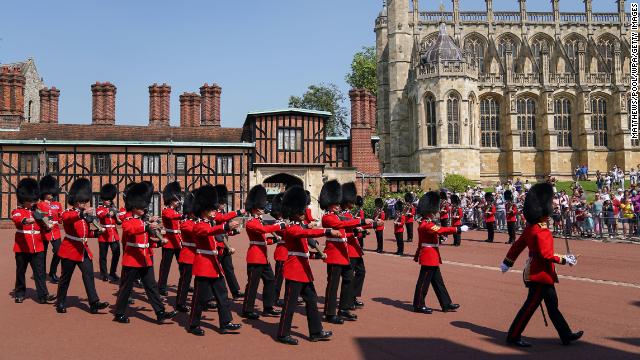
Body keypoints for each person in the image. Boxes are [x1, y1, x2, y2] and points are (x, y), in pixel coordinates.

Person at [501, 183, 583, 347]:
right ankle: (513, 335)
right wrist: (566, 259)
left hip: (536, 271)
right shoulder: (542, 231)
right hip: (540, 274)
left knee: (552, 306)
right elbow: (546, 255)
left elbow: (517, 246)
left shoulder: (531, 228)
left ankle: (566, 335)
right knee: (530, 306)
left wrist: (507, 262)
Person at [276, 185, 338, 345]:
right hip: (294, 271)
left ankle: (316, 331)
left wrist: (318, 255)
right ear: (294, 212)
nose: (305, 213)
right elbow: (305, 233)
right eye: (302, 211)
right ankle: (283, 333)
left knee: (311, 301)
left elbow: (305, 249)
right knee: (290, 304)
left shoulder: (299, 226)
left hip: (303, 270)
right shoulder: (291, 228)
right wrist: (326, 231)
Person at [113, 182, 178, 324]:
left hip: (145, 258)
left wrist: (158, 243)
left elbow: (146, 240)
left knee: (151, 287)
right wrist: (146, 226)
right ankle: (119, 313)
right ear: (134, 206)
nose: (144, 208)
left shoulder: (142, 221)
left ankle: (160, 312)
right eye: (141, 206)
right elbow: (130, 230)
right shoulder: (128, 220)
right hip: (132, 259)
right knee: (126, 288)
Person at [188, 185, 242, 336]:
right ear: (204, 209)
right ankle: (193, 324)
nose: (214, 211)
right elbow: (209, 232)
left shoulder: (210, 223)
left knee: (222, 294)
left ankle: (225, 323)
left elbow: (216, 232)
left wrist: (229, 228)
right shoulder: (198, 225)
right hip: (204, 265)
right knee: (199, 298)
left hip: (214, 264)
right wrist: (225, 226)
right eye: (212, 209)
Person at [56, 178, 109, 314]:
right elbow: (68, 218)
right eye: (81, 202)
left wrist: (98, 233)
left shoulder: (84, 215)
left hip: (83, 250)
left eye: (85, 201)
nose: (84, 204)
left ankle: (94, 303)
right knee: (65, 278)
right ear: (74, 200)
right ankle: (60, 301)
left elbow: (86, 233)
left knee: (88, 275)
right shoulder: (68, 212)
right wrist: (82, 213)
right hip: (69, 250)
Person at [320, 179, 370, 324]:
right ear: (329, 203)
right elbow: (341, 224)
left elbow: (346, 229)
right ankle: (329, 313)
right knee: (333, 284)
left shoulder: (336, 215)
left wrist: (359, 228)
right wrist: (361, 222)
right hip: (334, 254)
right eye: (335, 203)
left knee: (348, 280)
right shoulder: (328, 217)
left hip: (343, 253)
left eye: (338, 202)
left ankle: (344, 308)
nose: (337, 205)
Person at [412, 191, 469, 314]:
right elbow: (441, 229)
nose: (435, 213)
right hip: (428, 256)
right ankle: (418, 304)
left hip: (432, 255)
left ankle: (446, 304)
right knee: (423, 283)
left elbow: (438, 232)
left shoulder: (427, 223)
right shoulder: (425, 225)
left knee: (438, 282)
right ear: (429, 212)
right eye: (434, 212)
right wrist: (457, 229)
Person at [242, 184, 286, 320]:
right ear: (254, 209)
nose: (263, 209)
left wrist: (275, 240)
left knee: (270, 280)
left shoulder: (260, 221)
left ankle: (268, 307)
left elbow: (263, 240)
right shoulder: (251, 222)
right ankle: (247, 309)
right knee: (253, 284)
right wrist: (279, 225)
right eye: (261, 207)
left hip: (262, 257)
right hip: (255, 257)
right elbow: (263, 231)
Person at [12, 178, 56, 304]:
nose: (32, 203)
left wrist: (48, 225)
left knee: (40, 272)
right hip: (22, 247)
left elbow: (45, 227)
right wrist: (32, 219)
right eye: (29, 200)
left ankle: (43, 295)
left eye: (33, 200)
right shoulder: (17, 211)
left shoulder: (39, 211)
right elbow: (20, 220)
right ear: (23, 200)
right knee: (21, 271)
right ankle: (19, 293)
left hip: (38, 245)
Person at [341, 184, 380, 310]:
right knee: (349, 276)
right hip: (349, 249)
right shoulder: (343, 215)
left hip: (356, 249)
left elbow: (357, 226)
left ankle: (353, 296)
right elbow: (350, 227)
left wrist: (373, 225)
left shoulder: (350, 214)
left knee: (361, 272)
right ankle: (348, 300)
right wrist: (362, 229)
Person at [213, 184, 245, 300]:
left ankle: (235, 291)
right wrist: (237, 212)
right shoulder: (214, 214)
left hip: (224, 245)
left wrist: (235, 231)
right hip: (217, 246)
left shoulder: (221, 213)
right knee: (215, 271)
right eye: (222, 202)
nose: (224, 204)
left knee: (229, 268)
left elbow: (225, 231)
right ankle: (211, 295)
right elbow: (221, 223)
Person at [158, 181, 183, 296]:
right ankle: (161, 286)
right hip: (169, 241)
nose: (178, 202)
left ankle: (184, 284)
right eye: (176, 200)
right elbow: (171, 216)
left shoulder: (177, 211)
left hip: (178, 241)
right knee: (165, 266)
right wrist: (183, 215)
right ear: (171, 200)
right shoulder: (166, 211)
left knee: (182, 265)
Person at [37, 175, 63, 284]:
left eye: (52, 192)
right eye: (49, 193)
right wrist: (45, 223)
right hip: (44, 231)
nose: (51, 195)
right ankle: (41, 274)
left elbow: (61, 218)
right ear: (44, 193)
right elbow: (38, 218)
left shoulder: (57, 204)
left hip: (55, 231)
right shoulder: (39, 205)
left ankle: (52, 273)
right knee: (42, 255)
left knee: (59, 252)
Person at [175, 191, 196, 313]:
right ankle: (180, 302)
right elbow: (196, 232)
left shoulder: (195, 222)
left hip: (197, 255)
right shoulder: (185, 224)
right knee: (185, 281)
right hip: (188, 255)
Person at [96, 183, 121, 282]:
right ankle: (104, 273)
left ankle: (112, 272)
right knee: (103, 255)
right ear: (103, 200)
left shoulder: (114, 208)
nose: (108, 201)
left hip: (114, 234)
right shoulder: (99, 208)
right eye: (107, 200)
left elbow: (119, 221)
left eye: (109, 200)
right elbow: (101, 215)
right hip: (104, 234)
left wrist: (117, 215)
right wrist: (109, 213)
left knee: (116, 253)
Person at [271, 193, 288, 307]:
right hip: (282, 252)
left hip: (288, 253)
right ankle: (274, 298)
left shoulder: (285, 221)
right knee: (278, 279)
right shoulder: (278, 223)